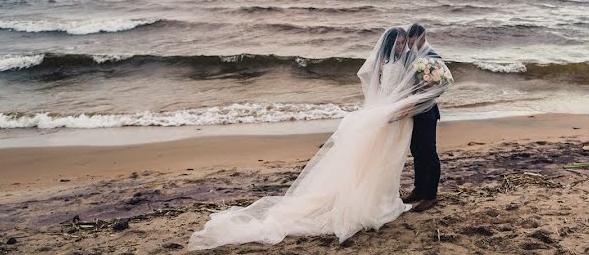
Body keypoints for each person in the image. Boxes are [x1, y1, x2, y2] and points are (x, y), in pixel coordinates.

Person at [187, 26, 452, 250]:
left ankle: (427, 194)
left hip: (412, 115)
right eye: (402, 41)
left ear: (419, 39)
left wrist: (406, 106)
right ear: (393, 43)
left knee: (418, 154)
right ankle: (403, 194)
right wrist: (397, 110)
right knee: (395, 157)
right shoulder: (394, 62)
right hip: (394, 117)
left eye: (408, 41)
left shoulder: (424, 58)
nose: (405, 45)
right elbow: (393, 90)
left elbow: (424, 87)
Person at [401, 23, 443, 212]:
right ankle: (419, 189)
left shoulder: (433, 57)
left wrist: (421, 94)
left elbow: (439, 87)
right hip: (414, 111)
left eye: (413, 44)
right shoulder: (413, 54)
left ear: (422, 39)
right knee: (416, 151)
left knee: (429, 153)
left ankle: (430, 195)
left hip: (427, 113)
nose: (411, 48)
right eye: (409, 44)